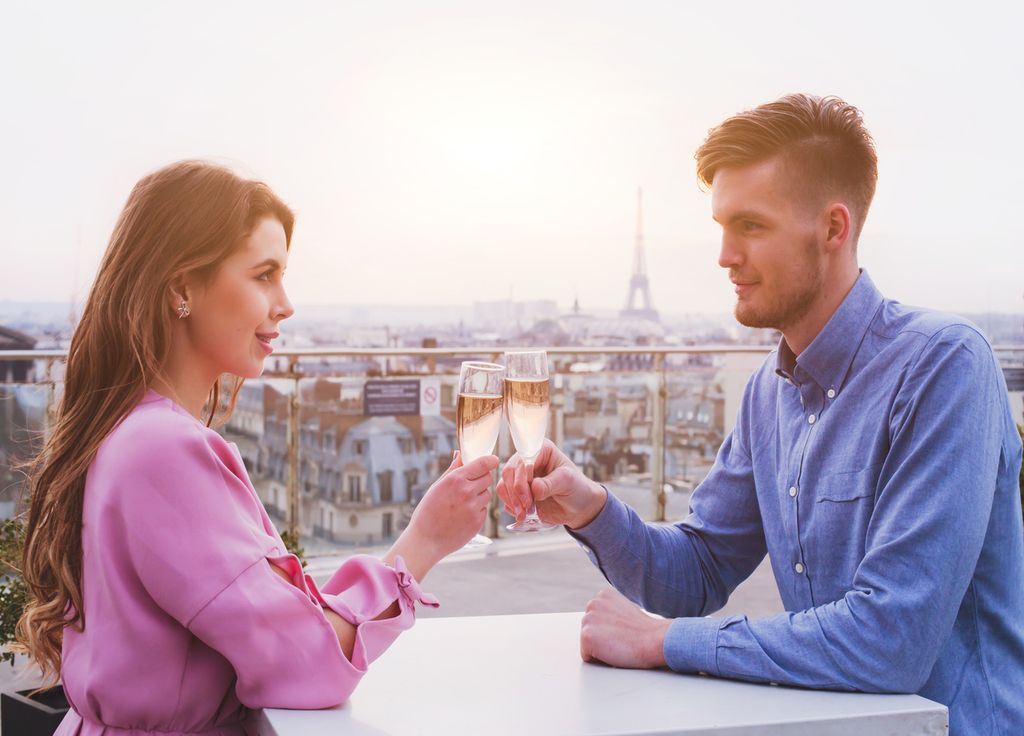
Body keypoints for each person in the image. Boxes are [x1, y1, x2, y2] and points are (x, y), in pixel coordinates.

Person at [497, 94, 1024, 733]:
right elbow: (695, 572)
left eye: (750, 226)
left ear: (834, 228)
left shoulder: (944, 366)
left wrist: (664, 642)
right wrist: (590, 507)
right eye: (721, 227)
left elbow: (891, 639)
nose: (723, 256)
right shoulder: (767, 393)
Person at [17, 160, 499, 736]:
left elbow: (277, 614)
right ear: (182, 288)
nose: (286, 303)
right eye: (264, 274)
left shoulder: (126, 427)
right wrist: (423, 543)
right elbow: (309, 662)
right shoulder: (163, 450)